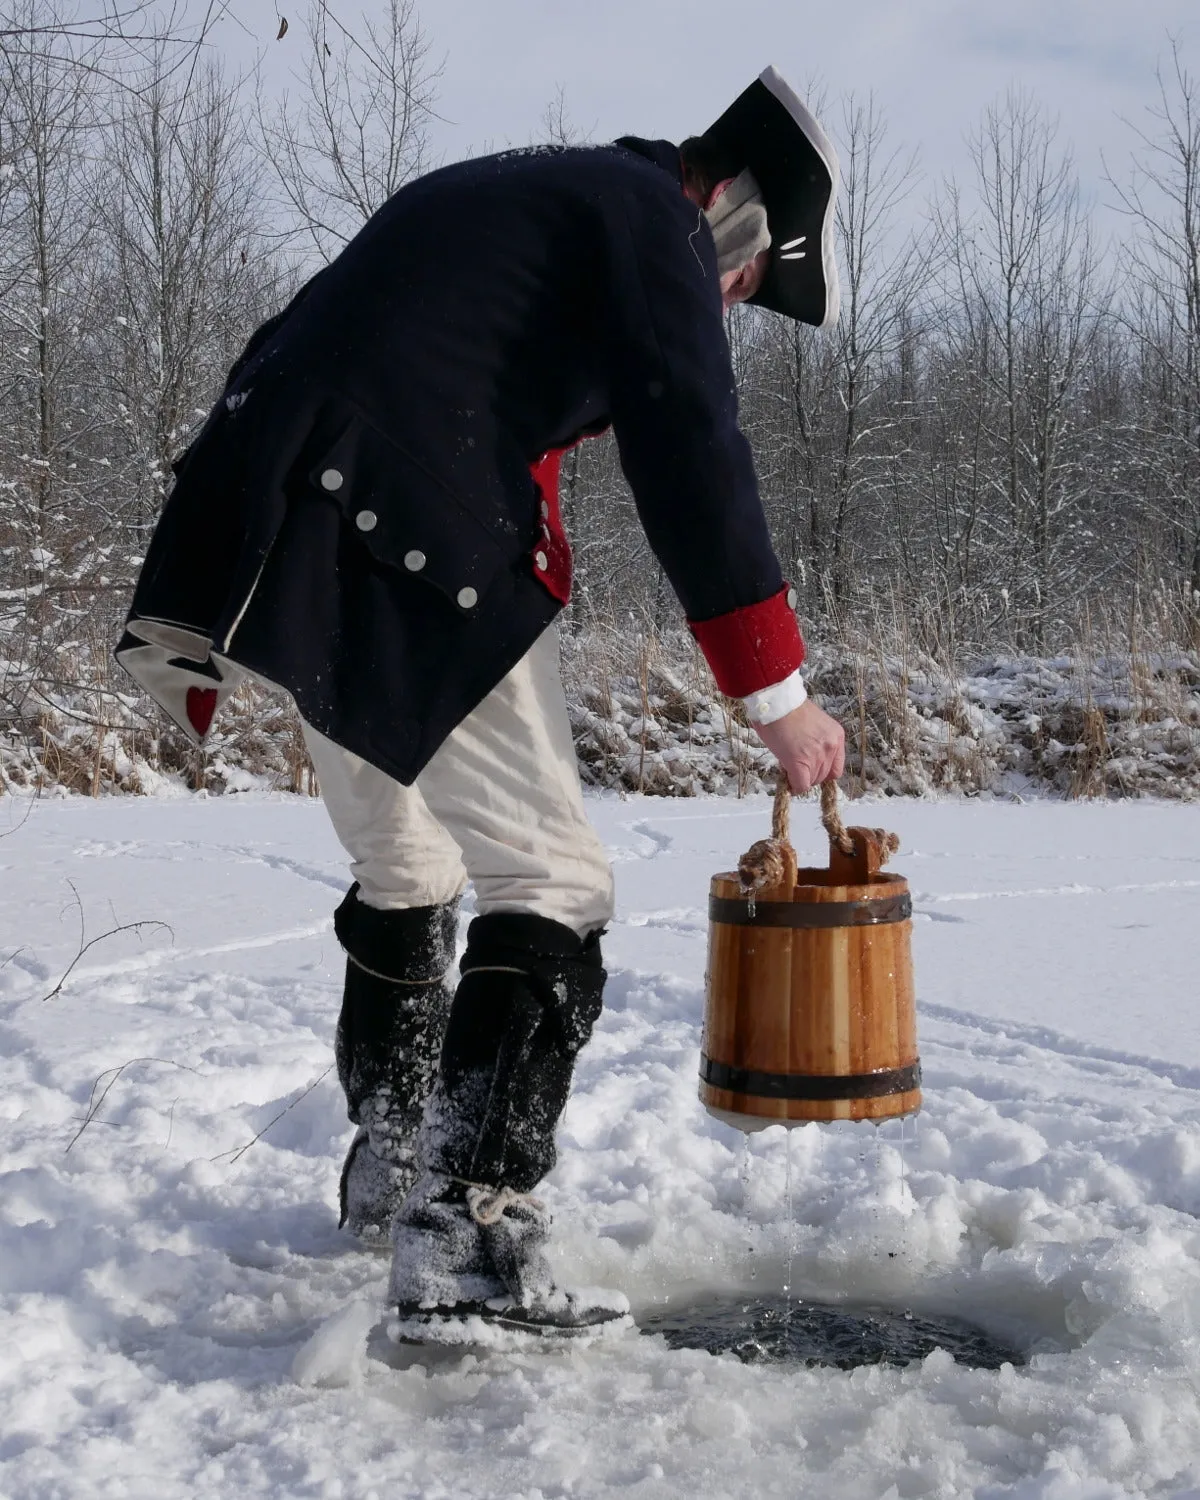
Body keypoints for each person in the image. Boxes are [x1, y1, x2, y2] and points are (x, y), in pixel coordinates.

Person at [116, 66, 846, 1340]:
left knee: (410, 859)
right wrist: (774, 688)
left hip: (286, 517)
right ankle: (468, 1223)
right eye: (749, 278)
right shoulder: (651, 223)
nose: (733, 301)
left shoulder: (525, 192)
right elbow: (691, 443)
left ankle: (394, 1161)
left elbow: (456, 396)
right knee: (555, 880)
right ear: (731, 210)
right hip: (398, 521)